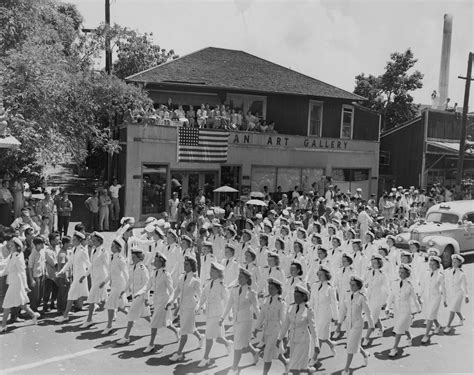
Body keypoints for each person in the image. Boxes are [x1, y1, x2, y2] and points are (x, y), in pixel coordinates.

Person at [220, 267, 260, 375]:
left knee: (237, 343)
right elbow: (229, 304)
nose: (239, 279)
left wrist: (260, 323)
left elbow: (256, 308)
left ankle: (234, 367)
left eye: (242, 277)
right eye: (239, 277)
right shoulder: (234, 289)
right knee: (244, 343)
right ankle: (255, 352)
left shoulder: (251, 292)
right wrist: (222, 317)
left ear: (247, 279)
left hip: (246, 321)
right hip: (236, 320)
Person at [277, 284, 319, 374]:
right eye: (294, 296)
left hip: (303, 341)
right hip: (293, 340)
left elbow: (313, 328)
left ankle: (304, 369)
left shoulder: (308, 310)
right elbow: (286, 324)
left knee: (294, 367)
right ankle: (308, 370)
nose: (295, 298)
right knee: (298, 365)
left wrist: (316, 344)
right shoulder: (291, 307)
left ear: (304, 297)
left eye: (297, 296)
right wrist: (279, 338)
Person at [196, 261, 232, 367]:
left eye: (213, 271)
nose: (210, 273)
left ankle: (206, 358)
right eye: (210, 271)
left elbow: (227, 301)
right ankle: (228, 343)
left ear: (219, 273)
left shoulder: (221, 285)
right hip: (209, 313)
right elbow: (203, 296)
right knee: (218, 337)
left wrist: (229, 314)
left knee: (208, 336)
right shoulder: (209, 283)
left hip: (217, 314)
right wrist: (199, 306)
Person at [1, 237, 40, 332]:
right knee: (21, 303)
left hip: (16, 284)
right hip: (13, 282)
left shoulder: (18, 256)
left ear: (18, 247)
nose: (11, 246)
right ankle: (33, 315)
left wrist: (25, 286)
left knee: (6, 304)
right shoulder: (13, 255)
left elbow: (22, 272)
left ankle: (3, 326)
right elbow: (6, 267)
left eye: (13, 245)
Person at [335, 276, 373, 375]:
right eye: (350, 285)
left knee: (351, 346)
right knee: (354, 343)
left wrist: (371, 325)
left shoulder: (362, 297)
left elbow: (368, 312)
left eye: (353, 285)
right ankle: (365, 354)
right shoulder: (347, 294)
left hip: (357, 324)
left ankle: (346, 369)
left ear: (358, 286)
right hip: (348, 324)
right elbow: (343, 309)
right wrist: (339, 324)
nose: (351, 287)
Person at [143, 251, 180, 353]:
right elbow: (148, 285)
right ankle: (177, 331)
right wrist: (141, 292)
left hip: (164, 301)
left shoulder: (166, 274)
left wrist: (172, 302)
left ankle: (151, 344)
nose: (154, 262)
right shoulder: (154, 272)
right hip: (156, 300)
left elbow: (172, 290)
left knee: (154, 322)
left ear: (161, 262)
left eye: (156, 260)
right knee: (166, 323)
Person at [168, 255, 203, 361]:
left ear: (192, 266)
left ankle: (179, 353)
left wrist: (200, 307)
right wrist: (170, 301)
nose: (184, 265)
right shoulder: (182, 277)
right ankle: (201, 337)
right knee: (191, 328)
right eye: (184, 263)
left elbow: (200, 295)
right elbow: (177, 290)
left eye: (187, 264)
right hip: (182, 307)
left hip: (190, 308)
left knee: (183, 330)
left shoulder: (195, 280)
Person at [254, 277, 288, 375]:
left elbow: (284, 320)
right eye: (269, 287)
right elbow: (261, 315)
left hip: (275, 330)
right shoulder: (266, 300)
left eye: (272, 288)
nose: (270, 290)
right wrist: (256, 328)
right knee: (275, 352)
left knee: (267, 353)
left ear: (278, 289)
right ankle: (286, 363)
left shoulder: (281, 303)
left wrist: (284, 336)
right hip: (266, 329)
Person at [117, 247, 151, 344]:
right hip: (135, 295)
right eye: (132, 257)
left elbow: (147, 284)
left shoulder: (142, 268)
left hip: (140, 296)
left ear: (139, 257)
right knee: (146, 316)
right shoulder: (134, 267)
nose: (133, 259)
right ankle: (156, 328)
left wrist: (146, 298)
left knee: (131, 315)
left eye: (134, 257)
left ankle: (126, 337)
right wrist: (124, 291)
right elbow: (130, 280)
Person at [385, 264, 421, 357]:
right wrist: (388, 308)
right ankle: (410, 337)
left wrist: (418, 308)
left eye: (403, 273)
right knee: (403, 327)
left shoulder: (409, 285)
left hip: (406, 309)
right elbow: (391, 296)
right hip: (397, 309)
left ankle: (394, 348)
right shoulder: (395, 283)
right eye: (399, 272)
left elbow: (414, 298)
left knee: (398, 328)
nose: (400, 274)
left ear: (407, 274)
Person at [56, 231, 91, 322]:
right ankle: (95, 304)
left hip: (80, 277)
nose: (73, 242)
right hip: (76, 276)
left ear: (79, 240)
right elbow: (70, 262)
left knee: (71, 294)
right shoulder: (74, 249)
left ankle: (65, 315)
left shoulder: (83, 251)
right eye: (73, 239)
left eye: (75, 240)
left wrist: (85, 276)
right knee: (84, 294)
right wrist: (62, 271)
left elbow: (90, 266)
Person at [79, 232, 109, 328]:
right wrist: (85, 275)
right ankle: (116, 311)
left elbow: (108, 267)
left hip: (101, 278)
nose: (92, 242)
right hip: (95, 278)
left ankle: (89, 319)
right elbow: (92, 265)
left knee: (91, 298)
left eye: (94, 240)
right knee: (105, 298)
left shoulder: (104, 252)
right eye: (92, 240)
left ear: (100, 241)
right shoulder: (94, 250)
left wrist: (106, 281)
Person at [309, 266, 338, 366]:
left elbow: (334, 303)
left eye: (321, 274)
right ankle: (331, 344)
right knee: (321, 335)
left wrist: (336, 317)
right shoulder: (314, 286)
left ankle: (314, 357)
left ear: (327, 275)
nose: (319, 276)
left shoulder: (330, 288)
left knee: (319, 335)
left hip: (325, 314)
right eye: (318, 274)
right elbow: (311, 300)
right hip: (316, 313)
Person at [102, 238, 129, 335]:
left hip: (119, 285)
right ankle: (131, 317)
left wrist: (127, 287)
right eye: (111, 246)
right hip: (114, 285)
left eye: (113, 246)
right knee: (120, 306)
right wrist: (104, 282)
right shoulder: (113, 257)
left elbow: (126, 273)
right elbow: (110, 273)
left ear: (118, 247)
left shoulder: (120, 259)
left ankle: (109, 326)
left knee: (110, 304)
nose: (111, 247)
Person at [362, 254, 389, 345]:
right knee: (373, 314)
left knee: (372, 318)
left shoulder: (382, 274)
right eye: (372, 263)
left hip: (378, 298)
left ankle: (366, 338)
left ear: (379, 264)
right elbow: (364, 280)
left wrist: (386, 301)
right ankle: (381, 328)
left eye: (375, 263)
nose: (373, 265)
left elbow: (386, 288)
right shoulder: (369, 271)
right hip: (369, 297)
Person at [420, 255, 447, 343]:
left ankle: (426, 335)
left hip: (436, 298)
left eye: (434, 264)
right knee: (430, 314)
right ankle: (438, 325)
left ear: (438, 265)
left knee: (430, 315)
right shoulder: (426, 272)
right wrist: (419, 296)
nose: (431, 266)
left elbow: (443, 288)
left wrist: (445, 300)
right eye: (430, 264)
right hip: (427, 297)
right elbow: (423, 285)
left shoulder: (440, 275)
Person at [444, 254, 469, 332]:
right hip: (451, 293)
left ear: (459, 263)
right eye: (453, 262)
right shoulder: (448, 270)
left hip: (458, 293)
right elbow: (444, 279)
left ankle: (448, 326)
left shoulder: (462, 273)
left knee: (452, 309)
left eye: (456, 262)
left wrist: (466, 296)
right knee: (455, 308)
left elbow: (464, 285)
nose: (454, 263)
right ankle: (461, 318)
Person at [27, 236, 46, 313]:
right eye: (41, 244)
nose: (43, 245)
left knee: (40, 294)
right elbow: (30, 268)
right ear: (36, 245)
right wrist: (31, 279)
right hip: (35, 276)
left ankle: (36, 308)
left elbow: (43, 263)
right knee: (35, 295)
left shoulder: (42, 251)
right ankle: (33, 309)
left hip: (42, 275)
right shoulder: (33, 254)